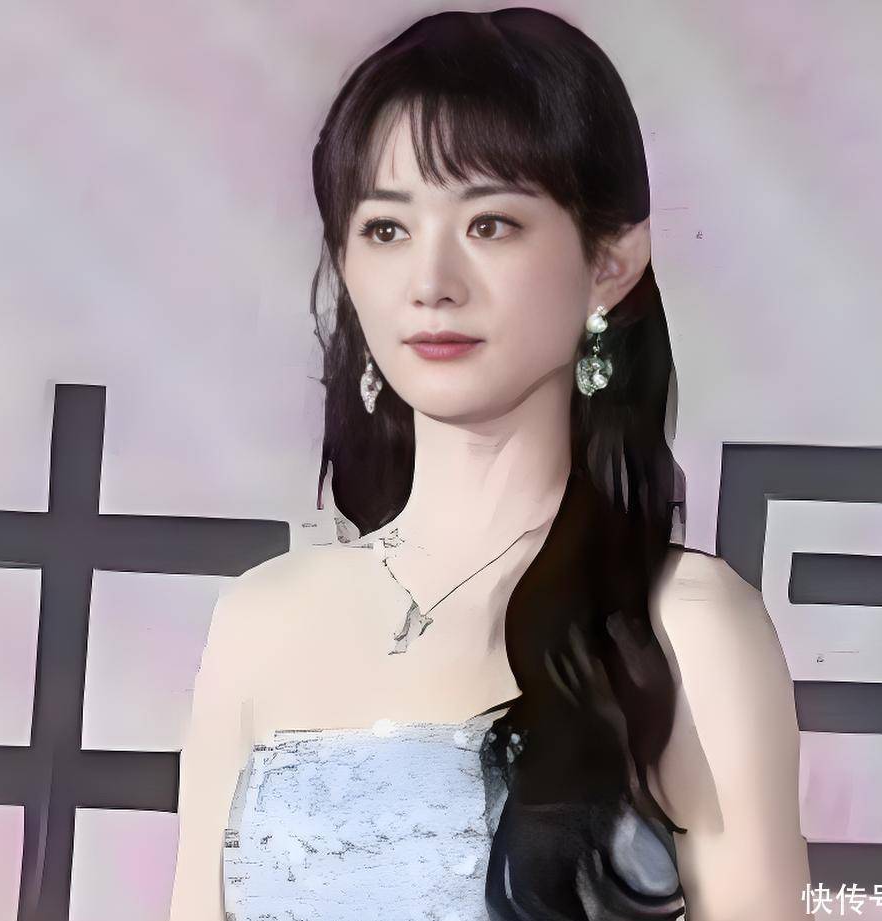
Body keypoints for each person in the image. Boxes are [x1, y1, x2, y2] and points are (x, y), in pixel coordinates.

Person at [168, 7, 811, 920]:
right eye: (386, 230)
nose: (432, 282)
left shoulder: (686, 627)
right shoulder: (259, 621)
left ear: (610, 262)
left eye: (491, 224)